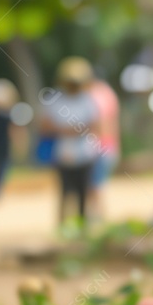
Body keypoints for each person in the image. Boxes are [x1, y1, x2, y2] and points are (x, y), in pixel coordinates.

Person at [40, 57, 101, 226]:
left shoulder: (87, 100)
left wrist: (70, 130)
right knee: (64, 193)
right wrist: (70, 130)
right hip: (63, 153)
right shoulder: (55, 99)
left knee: (83, 193)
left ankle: (81, 225)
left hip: (85, 153)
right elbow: (45, 125)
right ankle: (62, 225)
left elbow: (95, 125)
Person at [87, 78, 121, 220]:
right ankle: (97, 216)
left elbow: (100, 123)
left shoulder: (94, 95)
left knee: (95, 185)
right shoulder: (108, 94)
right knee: (97, 184)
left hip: (98, 146)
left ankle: (98, 216)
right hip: (108, 145)